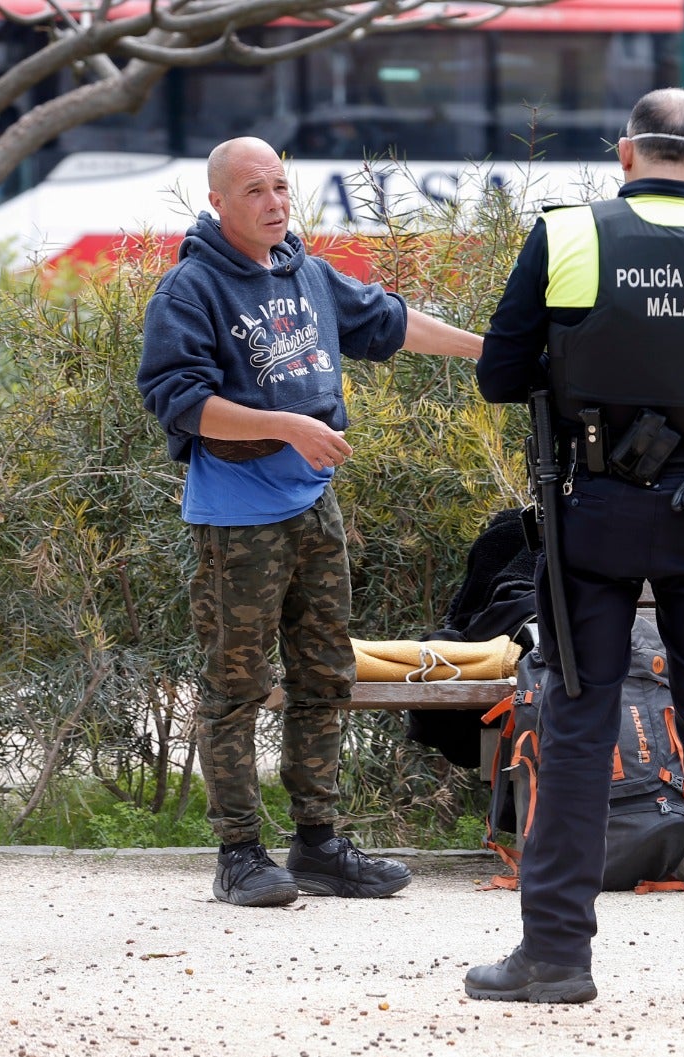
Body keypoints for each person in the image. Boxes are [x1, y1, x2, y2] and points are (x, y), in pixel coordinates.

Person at [465, 88, 684, 1003]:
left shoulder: (569, 234)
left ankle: (557, 956)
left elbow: (498, 375)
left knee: (576, 724)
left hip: (595, 510)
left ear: (624, 154)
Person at [137, 136, 483, 908]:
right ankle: (239, 855)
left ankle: (320, 845)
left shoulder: (306, 271)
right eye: (255, 191)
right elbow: (180, 401)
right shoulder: (190, 291)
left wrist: (490, 354)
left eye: (281, 188)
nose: (274, 203)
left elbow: (391, 323)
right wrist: (288, 425)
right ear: (219, 201)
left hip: (312, 505)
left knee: (325, 675)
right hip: (237, 516)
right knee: (234, 685)